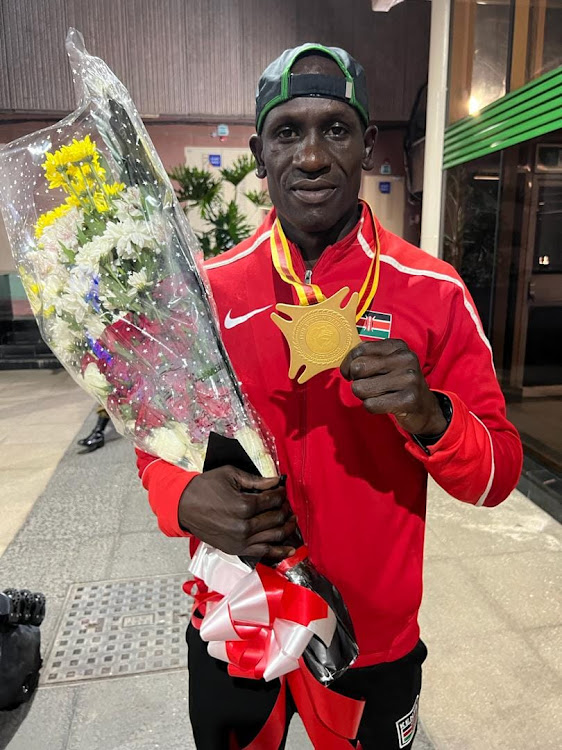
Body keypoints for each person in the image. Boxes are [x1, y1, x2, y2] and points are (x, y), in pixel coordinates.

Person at [135, 44, 523, 749]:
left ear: (368, 145)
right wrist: (180, 499)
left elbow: (499, 473)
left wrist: (431, 415)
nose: (311, 156)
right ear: (258, 153)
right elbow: (155, 441)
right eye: (288, 133)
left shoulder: (433, 293)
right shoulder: (208, 294)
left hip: (371, 638)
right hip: (237, 616)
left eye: (335, 130)